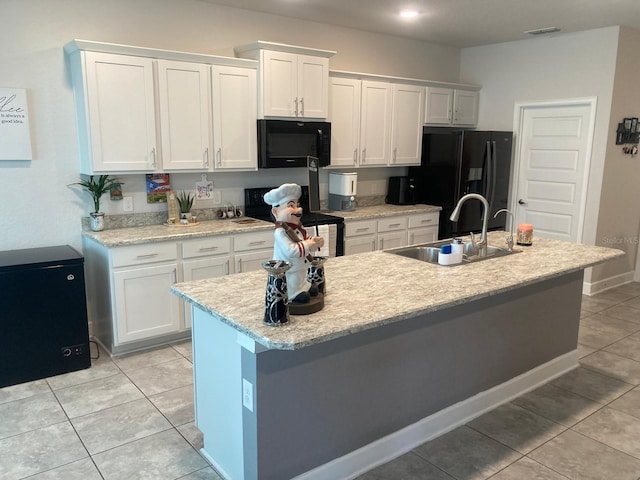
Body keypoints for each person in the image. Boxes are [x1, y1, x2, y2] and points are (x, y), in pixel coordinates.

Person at [264, 183, 325, 303]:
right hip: (290, 268)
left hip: (300, 266)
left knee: (301, 277)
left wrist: (316, 241)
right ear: (276, 212)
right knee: (292, 280)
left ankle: (304, 287)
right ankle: (293, 294)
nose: (297, 210)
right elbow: (291, 250)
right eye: (291, 206)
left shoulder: (298, 228)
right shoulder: (281, 232)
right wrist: (310, 244)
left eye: (297, 205)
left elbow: (305, 239)